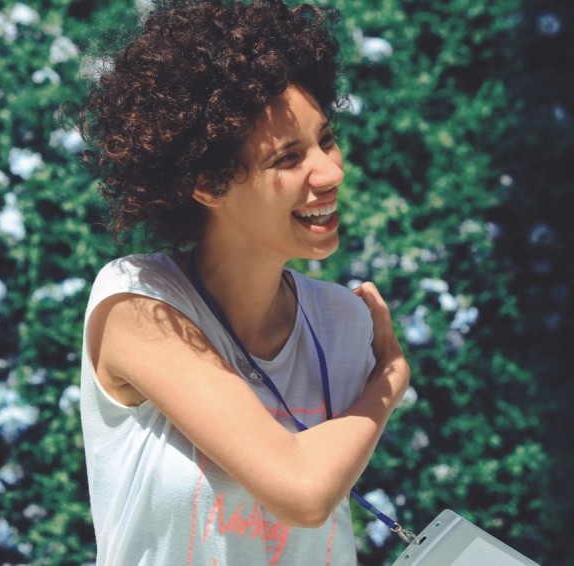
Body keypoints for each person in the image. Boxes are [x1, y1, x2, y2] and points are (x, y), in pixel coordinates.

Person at [75, 1, 410, 564]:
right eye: (288, 158)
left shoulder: (344, 322)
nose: (331, 172)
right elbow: (302, 492)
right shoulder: (137, 305)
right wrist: (391, 381)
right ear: (208, 183)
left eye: (325, 140)